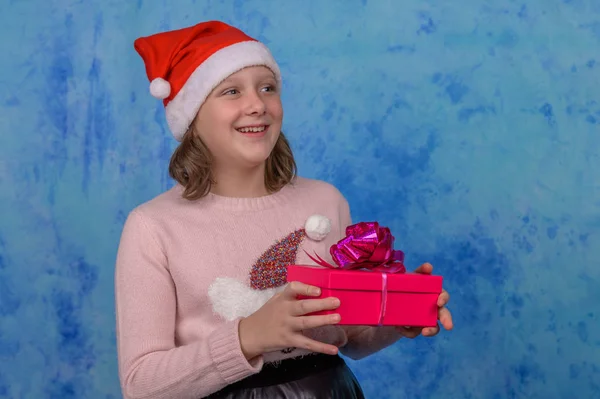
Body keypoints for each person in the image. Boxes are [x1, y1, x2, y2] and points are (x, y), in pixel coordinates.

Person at [115, 20, 453, 399]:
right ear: (192, 117)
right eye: (231, 91)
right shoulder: (153, 227)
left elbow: (350, 337)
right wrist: (246, 337)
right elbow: (141, 383)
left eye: (267, 88)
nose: (257, 104)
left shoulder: (326, 201)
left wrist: (396, 315)